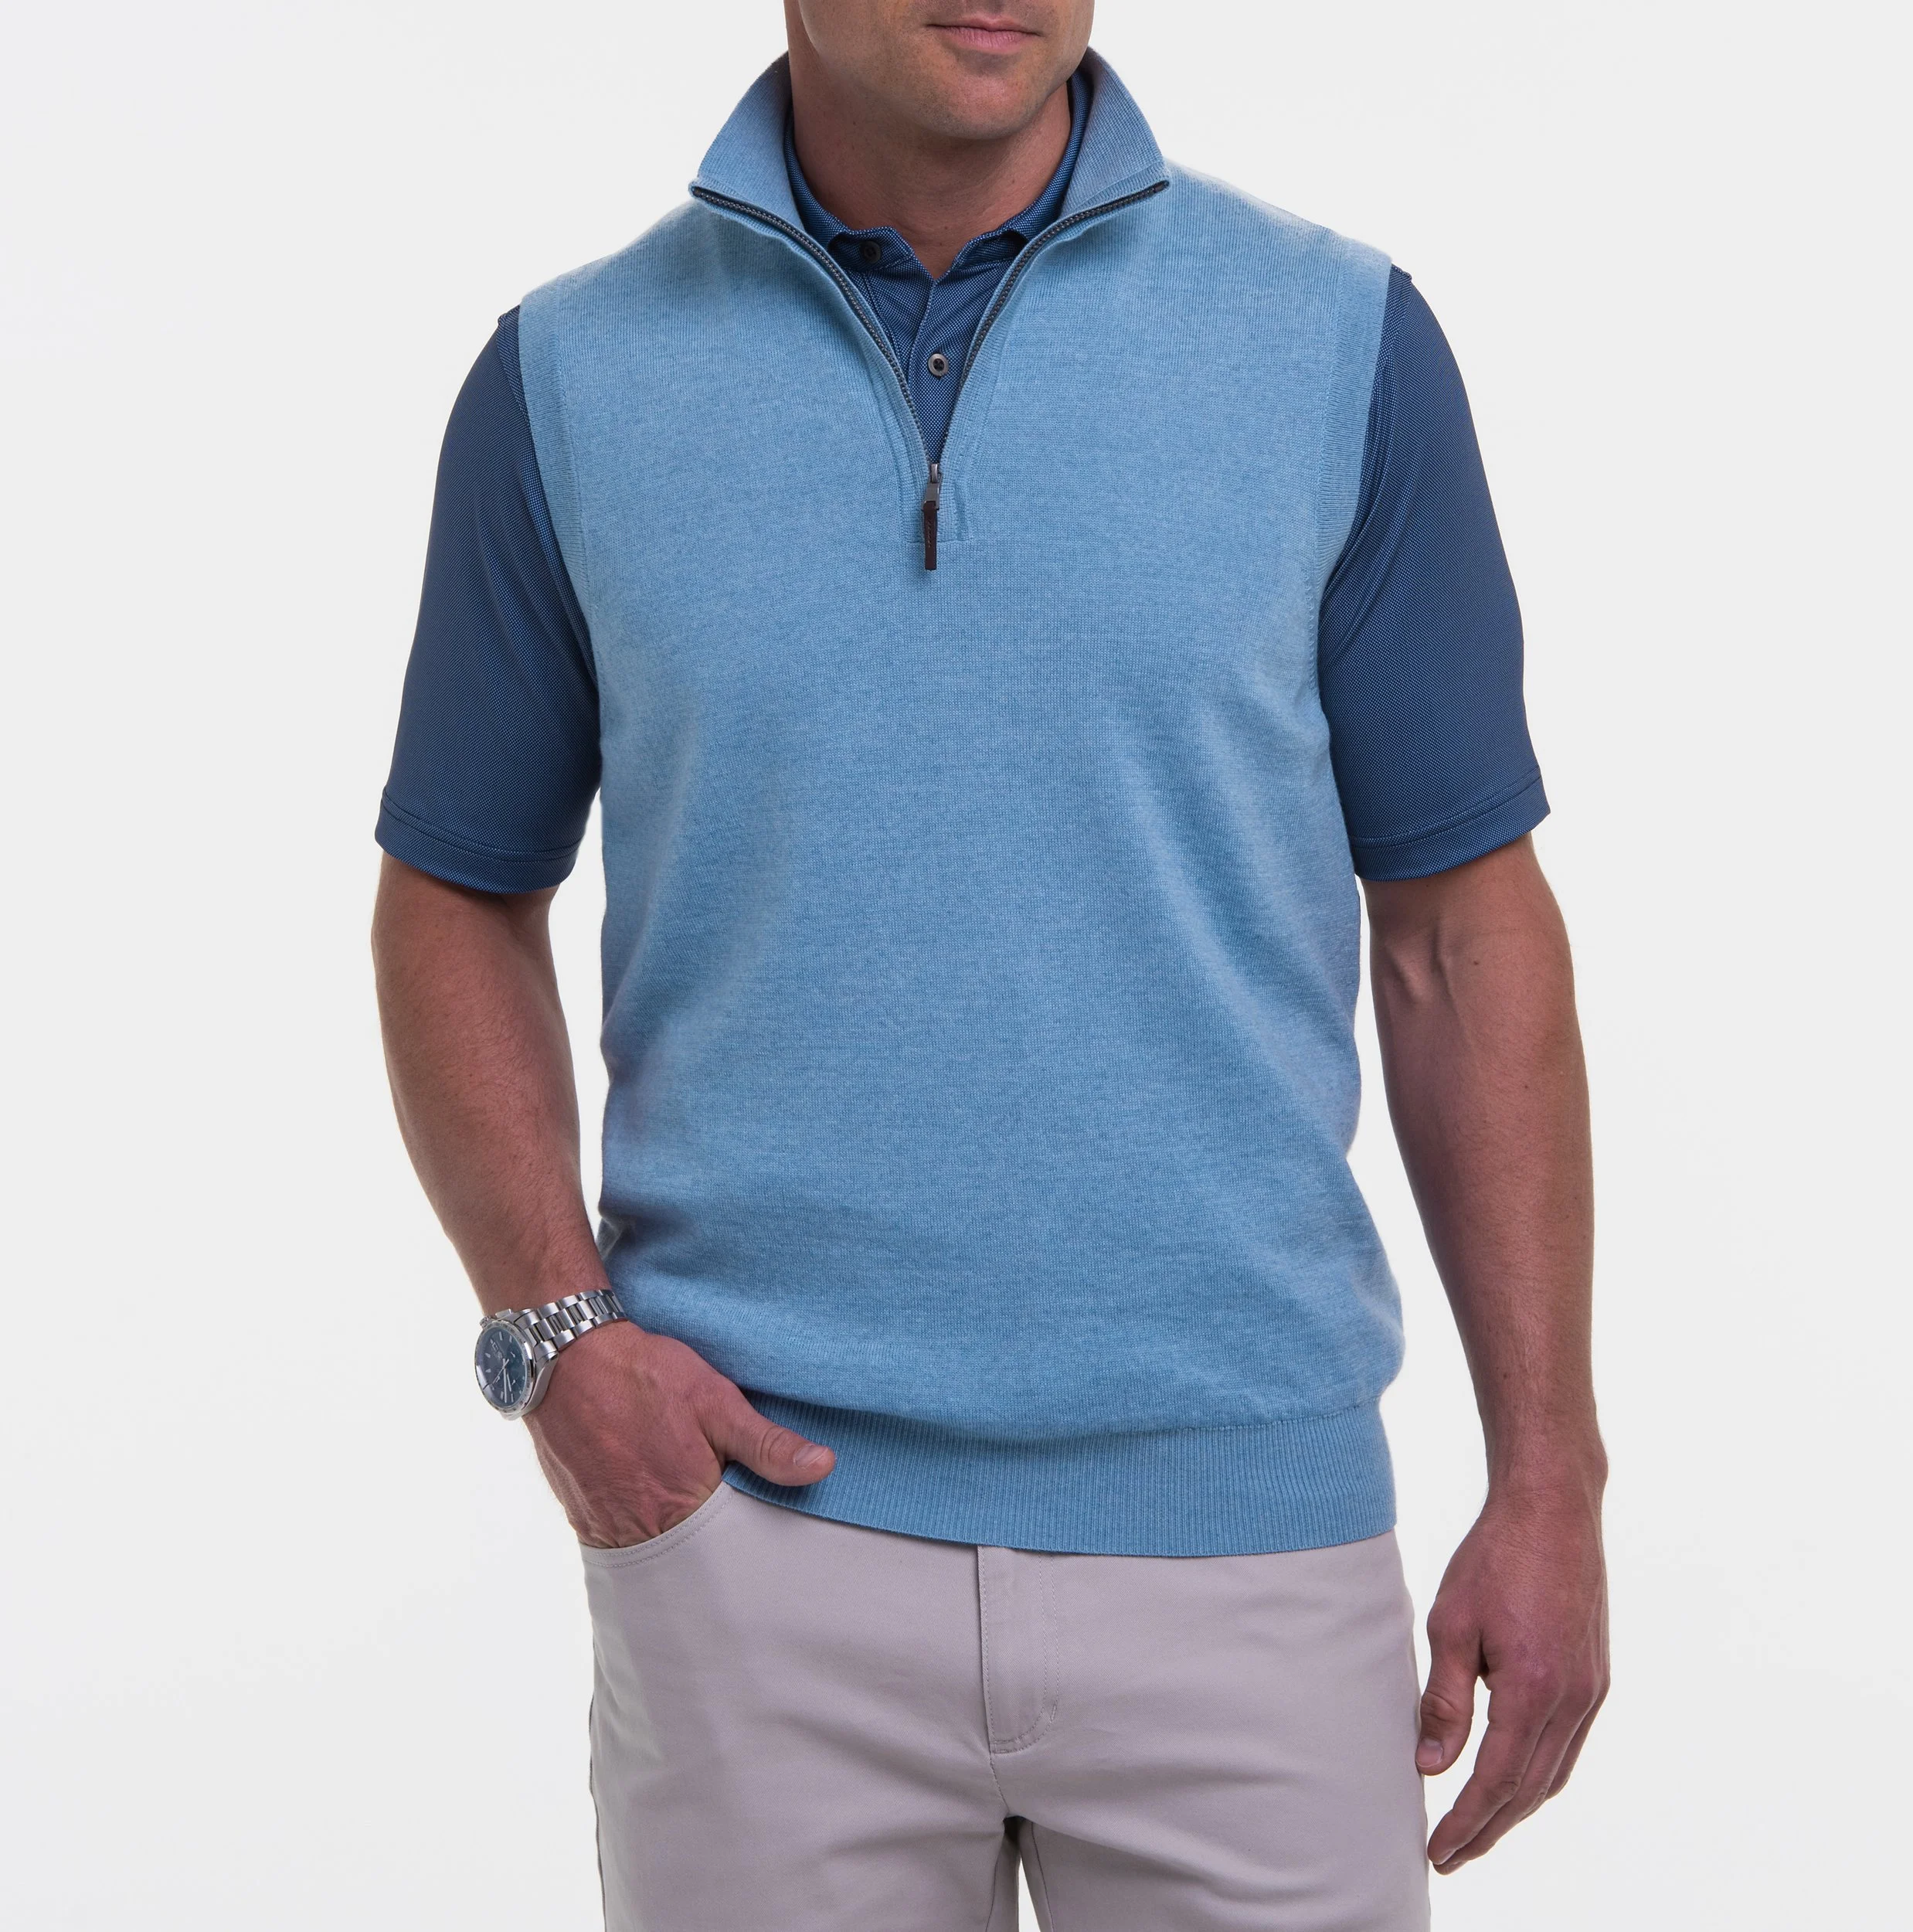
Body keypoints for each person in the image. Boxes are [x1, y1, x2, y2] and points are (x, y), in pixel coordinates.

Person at [372, 4, 1609, 1926]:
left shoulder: (1337, 343)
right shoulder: (570, 378)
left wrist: (1547, 1476)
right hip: (751, 1553)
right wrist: (557, 1345)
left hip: (1247, 1550)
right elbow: (452, 894)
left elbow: (1458, 931)